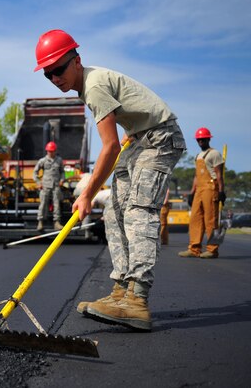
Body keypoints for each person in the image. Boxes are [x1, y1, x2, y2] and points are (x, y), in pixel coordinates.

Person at [34, 29, 186, 331]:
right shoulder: (88, 86)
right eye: (48, 74)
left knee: (138, 210)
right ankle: (121, 291)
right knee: (114, 210)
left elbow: (110, 147)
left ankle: (137, 299)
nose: (55, 78)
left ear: (77, 61)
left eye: (59, 69)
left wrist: (87, 193)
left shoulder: (93, 86)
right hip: (140, 138)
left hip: (160, 138)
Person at [178, 127, 225, 259]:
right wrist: (192, 193)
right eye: (199, 140)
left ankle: (212, 249)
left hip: (211, 187)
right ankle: (194, 248)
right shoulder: (198, 156)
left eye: (203, 139)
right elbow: (196, 176)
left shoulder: (214, 153)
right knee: (195, 219)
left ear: (208, 139)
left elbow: (219, 174)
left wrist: (221, 191)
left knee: (211, 220)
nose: (201, 142)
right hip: (199, 189)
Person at [33, 141, 64, 232]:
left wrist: (62, 180)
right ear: (47, 151)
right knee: (43, 204)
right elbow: (35, 172)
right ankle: (40, 222)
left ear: (55, 151)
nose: (50, 153)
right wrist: (38, 182)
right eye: (49, 151)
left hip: (56, 185)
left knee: (56, 204)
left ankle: (57, 222)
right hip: (45, 185)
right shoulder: (42, 161)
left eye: (52, 151)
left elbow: (62, 172)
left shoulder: (59, 160)